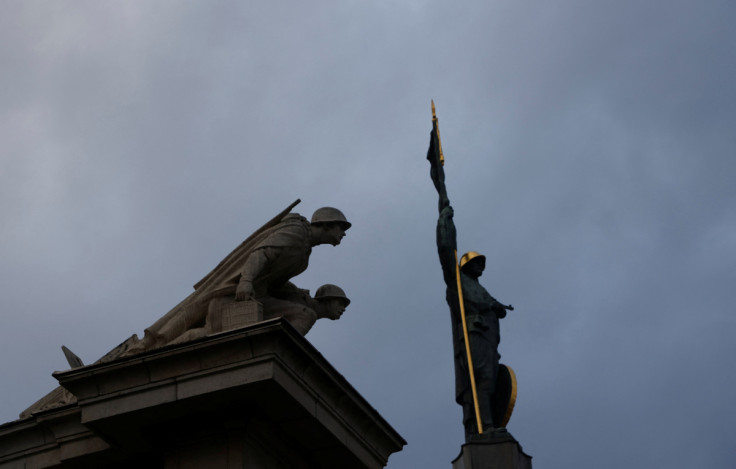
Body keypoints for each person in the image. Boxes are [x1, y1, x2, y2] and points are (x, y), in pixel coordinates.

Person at [132, 204, 351, 351]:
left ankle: (275, 353)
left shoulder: (304, 253)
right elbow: (261, 254)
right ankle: (154, 348)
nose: (343, 233)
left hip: (257, 295)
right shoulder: (296, 233)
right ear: (326, 224)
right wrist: (245, 281)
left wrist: (294, 292)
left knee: (304, 313)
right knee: (197, 322)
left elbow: (274, 279)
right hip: (237, 292)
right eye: (340, 228)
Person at [428, 124, 514, 441]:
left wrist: (496, 309)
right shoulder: (456, 280)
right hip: (473, 336)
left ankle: (488, 423)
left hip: (488, 338)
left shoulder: (482, 289)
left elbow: (488, 305)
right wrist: (444, 219)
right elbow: (444, 248)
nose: (481, 266)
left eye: (482, 263)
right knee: (482, 380)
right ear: (466, 265)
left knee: (491, 378)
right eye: (476, 262)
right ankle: (482, 426)